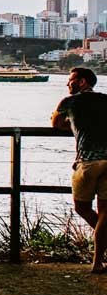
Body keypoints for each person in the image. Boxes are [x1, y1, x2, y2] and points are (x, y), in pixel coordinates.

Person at [51, 66, 107, 274]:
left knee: (82, 208)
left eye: (71, 80)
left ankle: (99, 260)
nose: (68, 84)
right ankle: (97, 262)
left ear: (82, 82)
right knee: (105, 213)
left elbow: (56, 123)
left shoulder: (69, 102)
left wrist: (72, 124)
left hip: (88, 161)